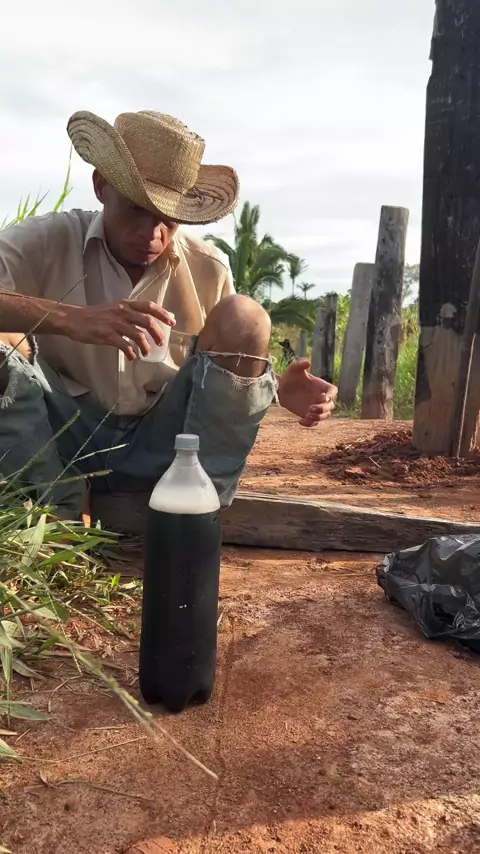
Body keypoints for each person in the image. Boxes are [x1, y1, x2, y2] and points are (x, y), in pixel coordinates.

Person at [0, 110, 337, 521]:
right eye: (136, 210)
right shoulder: (46, 240)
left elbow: (219, 381)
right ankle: (53, 508)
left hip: (166, 444)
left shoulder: (207, 268)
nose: (152, 232)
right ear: (101, 186)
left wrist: (274, 390)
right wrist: (72, 319)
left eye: (168, 218)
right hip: (61, 436)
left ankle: (197, 511)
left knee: (246, 317)